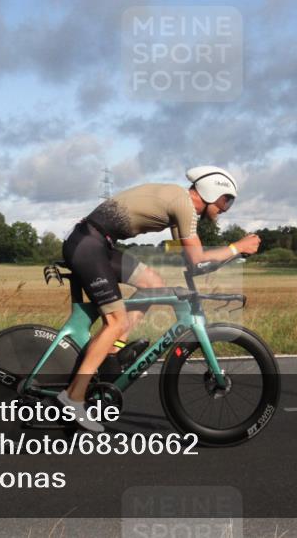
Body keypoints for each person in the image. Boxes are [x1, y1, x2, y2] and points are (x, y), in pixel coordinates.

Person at [56, 166, 261, 431]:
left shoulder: (182, 210)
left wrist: (234, 255)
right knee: (115, 321)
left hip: (98, 243)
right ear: (213, 191)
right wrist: (236, 247)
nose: (226, 208)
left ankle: (112, 354)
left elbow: (193, 262)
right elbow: (198, 257)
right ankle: (73, 397)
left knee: (152, 283)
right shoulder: (183, 203)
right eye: (227, 200)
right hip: (88, 245)